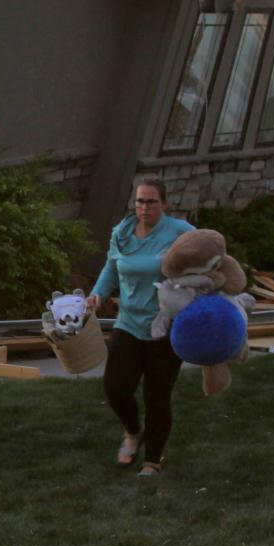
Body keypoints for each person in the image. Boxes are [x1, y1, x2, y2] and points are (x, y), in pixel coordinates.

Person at [87, 175, 195, 477]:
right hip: (129, 323)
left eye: (151, 202)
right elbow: (111, 267)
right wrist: (97, 295)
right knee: (115, 387)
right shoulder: (121, 233)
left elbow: (207, 255)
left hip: (166, 326)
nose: (144, 208)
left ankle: (152, 461)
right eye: (140, 201)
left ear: (164, 204)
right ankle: (134, 431)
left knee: (156, 395)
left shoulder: (181, 233)